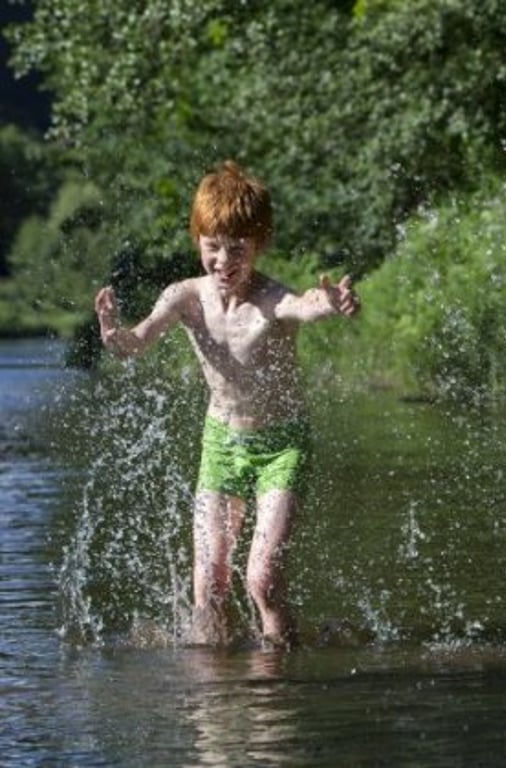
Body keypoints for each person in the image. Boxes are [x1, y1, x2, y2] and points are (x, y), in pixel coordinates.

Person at [93, 160, 361, 649]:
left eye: (237, 249)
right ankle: (216, 683)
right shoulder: (185, 298)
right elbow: (139, 340)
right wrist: (114, 336)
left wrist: (332, 303)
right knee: (210, 584)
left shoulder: (272, 300)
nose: (222, 261)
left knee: (262, 579)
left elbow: (306, 305)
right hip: (221, 443)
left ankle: (277, 677)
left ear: (259, 245)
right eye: (212, 246)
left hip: (282, 446)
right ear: (198, 240)